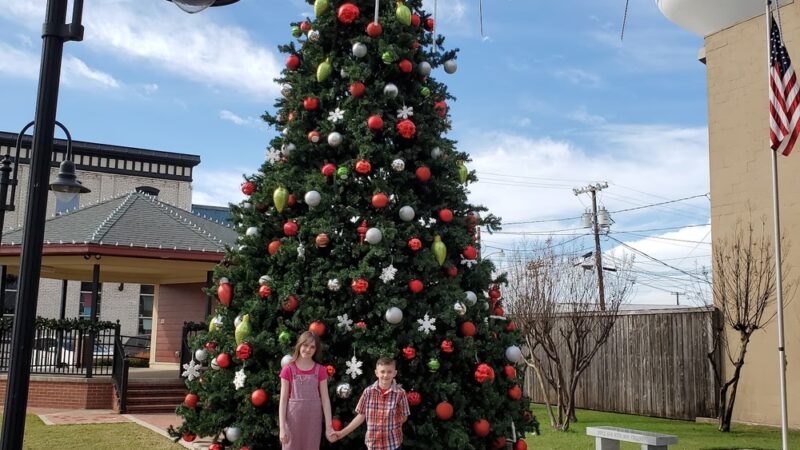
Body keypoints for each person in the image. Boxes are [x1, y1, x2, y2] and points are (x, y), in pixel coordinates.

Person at [332, 357, 410, 450]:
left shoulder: (400, 393)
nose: (385, 375)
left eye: (389, 372)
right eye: (382, 372)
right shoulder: (368, 392)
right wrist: (342, 433)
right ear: (376, 373)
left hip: (393, 444)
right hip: (373, 444)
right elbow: (361, 416)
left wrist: (391, 425)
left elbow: (404, 416)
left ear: (394, 373)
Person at [279, 331, 335, 449]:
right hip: (293, 421)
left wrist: (329, 426)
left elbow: (325, 400)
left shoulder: (320, 370)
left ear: (316, 350)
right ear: (299, 345)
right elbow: (283, 401)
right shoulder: (288, 370)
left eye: (312, 347)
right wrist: (282, 428)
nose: (308, 349)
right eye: (305, 345)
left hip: (313, 421)